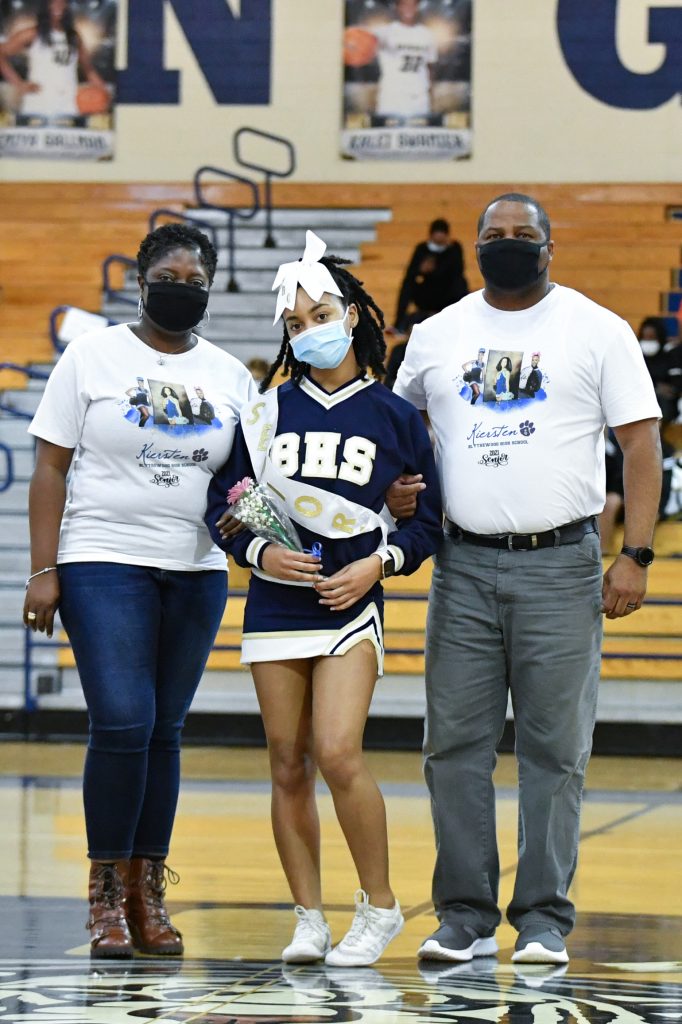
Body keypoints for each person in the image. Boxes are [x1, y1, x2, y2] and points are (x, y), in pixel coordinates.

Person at [393, 193, 661, 966]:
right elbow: (398, 433)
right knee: (453, 747)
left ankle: (543, 919)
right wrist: (399, 490)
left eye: (523, 233)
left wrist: (637, 554)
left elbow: (641, 447)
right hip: (462, 566)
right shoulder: (438, 334)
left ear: (549, 246)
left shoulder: (597, 329)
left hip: (562, 565)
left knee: (554, 750)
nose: (507, 242)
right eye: (494, 234)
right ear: (475, 246)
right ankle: (465, 917)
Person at [206, 231, 442, 968]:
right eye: (295, 322)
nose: (309, 331)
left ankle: (381, 907)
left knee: (338, 752)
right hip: (276, 605)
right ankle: (308, 917)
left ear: (352, 315)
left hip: (349, 606)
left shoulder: (396, 416)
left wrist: (380, 564)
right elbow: (226, 505)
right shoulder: (265, 412)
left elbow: (428, 523)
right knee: (286, 762)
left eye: (320, 316)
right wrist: (260, 553)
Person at [23, 222, 256, 959]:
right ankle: (104, 895)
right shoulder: (91, 357)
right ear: (141, 281)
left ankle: (145, 892)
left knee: (164, 730)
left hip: (196, 570)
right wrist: (43, 569)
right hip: (102, 559)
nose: (181, 290)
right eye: (168, 279)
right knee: (124, 720)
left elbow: (247, 483)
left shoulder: (231, 376)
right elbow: (50, 467)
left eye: (195, 282)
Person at [0, 0, 108, 119]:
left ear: (67, 6)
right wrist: (19, 84)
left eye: (62, 2)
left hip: (69, 103)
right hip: (39, 102)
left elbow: (89, 70)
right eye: (53, 2)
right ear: (46, 6)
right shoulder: (32, 33)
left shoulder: (74, 37)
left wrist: (104, 91)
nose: (58, 6)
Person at [393, 218, 468, 334]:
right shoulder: (422, 249)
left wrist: (436, 269)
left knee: (461, 283)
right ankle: (399, 324)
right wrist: (421, 270)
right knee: (407, 284)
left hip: (448, 294)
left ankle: (464, 320)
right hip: (427, 295)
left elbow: (458, 271)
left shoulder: (454, 248)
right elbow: (410, 274)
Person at [371, 0, 437, 120]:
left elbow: (430, 69)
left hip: (419, 98)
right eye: (404, 4)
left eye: (413, 4)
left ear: (418, 7)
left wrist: (431, 98)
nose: (409, 8)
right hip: (391, 98)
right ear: (397, 7)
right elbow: (359, 48)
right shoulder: (383, 33)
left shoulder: (427, 34)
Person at [637, 316, 682, 427]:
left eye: (652, 338)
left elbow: (676, 382)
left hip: (665, 404)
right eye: (645, 338)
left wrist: (672, 388)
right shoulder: (636, 358)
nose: (648, 342)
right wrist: (656, 387)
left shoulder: (669, 356)